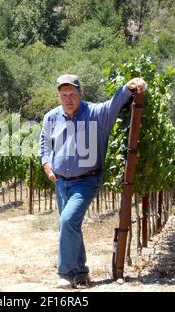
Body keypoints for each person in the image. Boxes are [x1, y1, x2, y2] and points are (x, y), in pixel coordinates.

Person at [39, 74, 147, 288]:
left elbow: (113, 103)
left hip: (86, 181)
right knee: (72, 226)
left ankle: (66, 273)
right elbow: (44, 144)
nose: (67, 99)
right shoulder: (51, 117)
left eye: (72, 94)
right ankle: (81, 273)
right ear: (59, 96)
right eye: (63, 95)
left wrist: (128, 86)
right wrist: (46, 164)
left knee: (67, 221)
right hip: (61, 182)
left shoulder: (96, 114)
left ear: (80, 94)